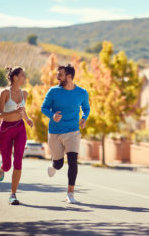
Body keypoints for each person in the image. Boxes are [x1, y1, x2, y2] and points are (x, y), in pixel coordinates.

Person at [41, 64, 90, 204]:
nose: (57, 77)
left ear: (69, 77)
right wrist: (52, 115)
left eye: (60, 75)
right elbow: (43, 108)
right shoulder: (53, 91)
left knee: (73, 161)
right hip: (55, 132)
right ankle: (54, 165)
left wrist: (84, 118)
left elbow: (86, 108)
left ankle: (70, 193)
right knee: (59, 163)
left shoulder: (82, 92)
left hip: (73, 131)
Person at [0, 66, 33, 205]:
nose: (25, 77)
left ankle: (13, 194)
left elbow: (22, 111)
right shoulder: (5, 93)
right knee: (7, 166)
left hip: (19, 129)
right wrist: (13, 113)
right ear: (15, 77)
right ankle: (2, 167)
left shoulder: (25, 94)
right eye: (23, 75)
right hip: (5, 129)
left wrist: (27, 119)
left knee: (18, 162)